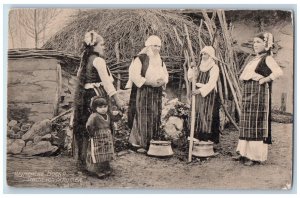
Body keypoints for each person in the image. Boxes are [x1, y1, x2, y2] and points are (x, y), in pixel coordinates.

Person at [72, 30, 124, 169]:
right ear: (94, 46)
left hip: (85, 97)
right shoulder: (98, 60)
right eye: (102, 44)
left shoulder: (85, 60)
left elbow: (79, 78)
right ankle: (98, 165)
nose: (104, 47)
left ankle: (84, 162)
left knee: (87, 127)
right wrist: (117, 100)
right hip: (96, 96)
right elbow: (107, 83)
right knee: (100, 127)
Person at [234, 32, 283, 166]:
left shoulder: (267, 58)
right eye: (254, 42)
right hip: (248, 93)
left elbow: (278, 72)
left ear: (266, 44)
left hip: (259, 94)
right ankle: (243, 153)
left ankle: (253, 156)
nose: (255, 45)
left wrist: (265, 79)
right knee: (246, 122)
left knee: (255, 123)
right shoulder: (253, 59)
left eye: (258, 42)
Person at [127, 35, 169, 153]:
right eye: (155, 46)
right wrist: (148, 82)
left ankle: (153, 141)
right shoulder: (140, 59)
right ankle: (140, 143)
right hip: (144, 91)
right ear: (149, 46)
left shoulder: (160, 60)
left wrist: (163, 81)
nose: (157, 49)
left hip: (156, 92)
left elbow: (166, 74)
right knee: (143, 115)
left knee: (155, 114)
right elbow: (134, 75)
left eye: (159, 46)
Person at [187, 46, 221, 146]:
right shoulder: (199, 65)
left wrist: (200, 91)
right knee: (197, 114)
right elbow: (191, 78)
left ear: (210, 55)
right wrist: (192, 68)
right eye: (202, 54)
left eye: (205, 54)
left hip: (208, 94)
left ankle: (207, 138)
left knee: (207, 115)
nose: (203, 56)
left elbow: (211, 83)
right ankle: (196, 137)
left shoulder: (214, 67)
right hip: (197, 93)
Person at [85, 96, 122, 178]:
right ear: (95, 108)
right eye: (100, 107)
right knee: (98, 153)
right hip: (97, 137)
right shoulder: (94, 116)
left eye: (105, 107)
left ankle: (106, 168)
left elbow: (114, 119)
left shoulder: (108, 115)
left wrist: (119, 114)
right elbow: (88, 125)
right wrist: (92, 133)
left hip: (107, 137)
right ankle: (97, 170)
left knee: (106, 153)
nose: (103, 109)